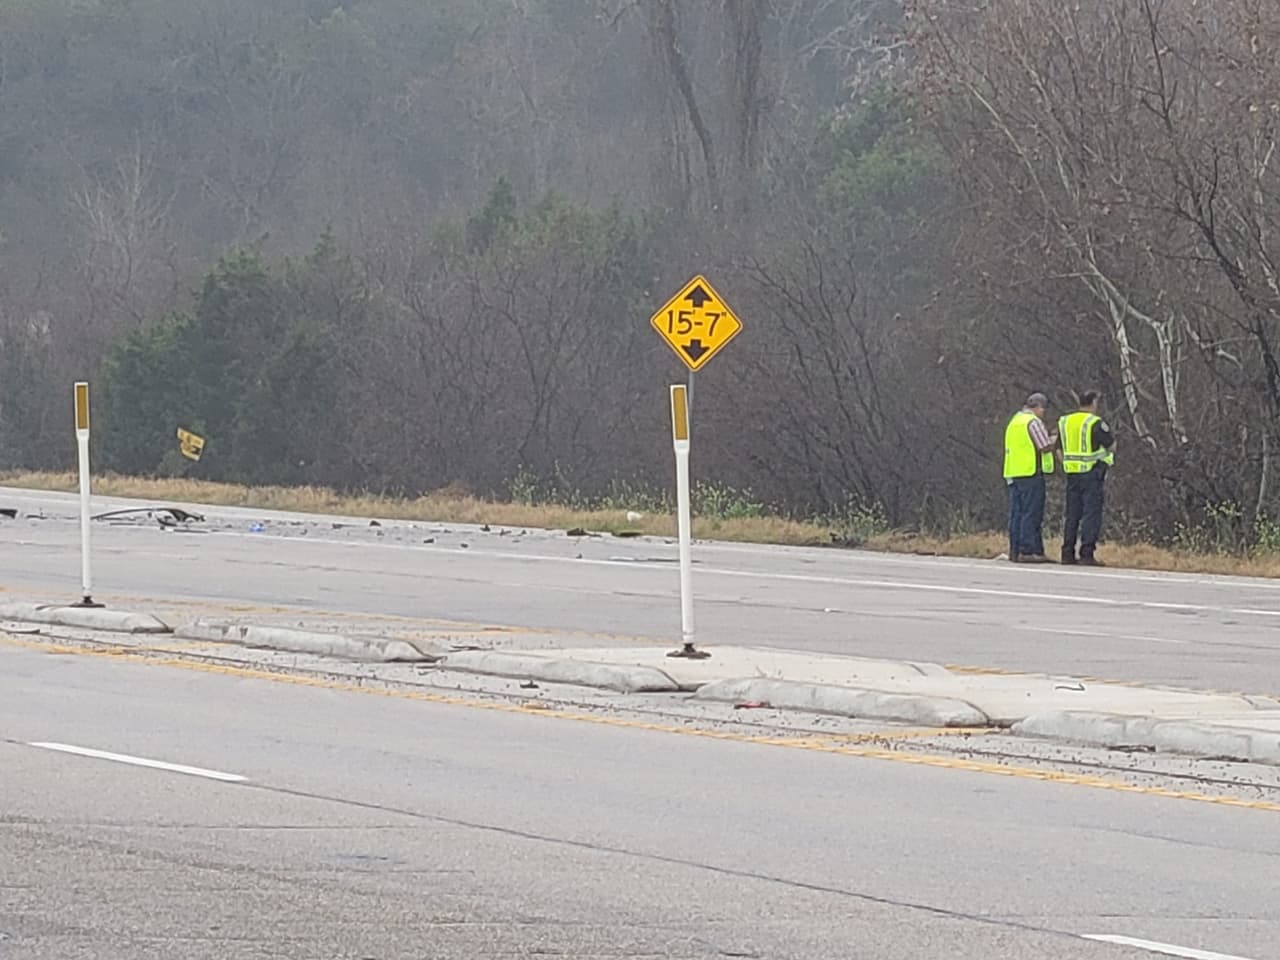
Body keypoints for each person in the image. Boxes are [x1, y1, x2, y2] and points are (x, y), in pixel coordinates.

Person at [1058, 390, 1115, 566]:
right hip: (1091, 474)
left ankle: (1067, 553)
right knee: (1091, 514)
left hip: (1072, 475)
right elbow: (1111, 445)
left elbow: (1058, 449)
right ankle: (1086, 554)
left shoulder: (1065, 422)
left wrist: (1068, 465)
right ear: (1093, 403)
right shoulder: (1094, 423)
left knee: (1072, 514)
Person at [1004, 392, 1058, 563]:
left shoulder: (1014, 421)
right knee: (1031, 513)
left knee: (1016, 513)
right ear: (1038, 407)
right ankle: (1029, 550)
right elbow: (1044, 446)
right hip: (1030, 472)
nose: (1044, 413)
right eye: (1043, 409)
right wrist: (1055, 438)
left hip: (1013, 472)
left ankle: (1015, 550)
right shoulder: (1033, 422)